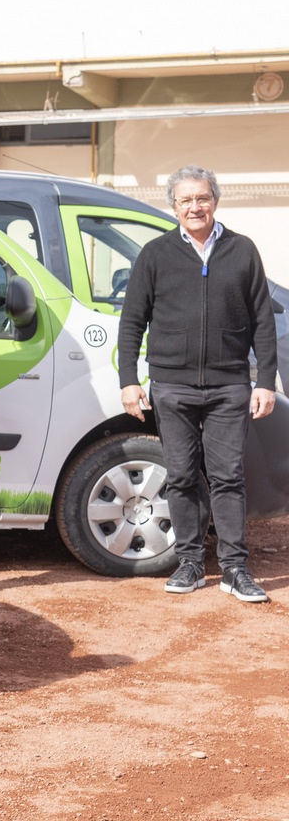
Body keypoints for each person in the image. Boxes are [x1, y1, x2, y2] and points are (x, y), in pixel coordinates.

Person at [118, 165, 277, 602]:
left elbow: (263, 320)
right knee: (183, 476)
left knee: (228, 476)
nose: (195, 207)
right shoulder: (155, 254)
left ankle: (234, 568)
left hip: (229, 385)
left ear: (215, 201)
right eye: (185, 200)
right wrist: (129, 380)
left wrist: (265, 380)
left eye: (202, 198)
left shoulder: (243, 250)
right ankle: (190, 564)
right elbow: (132, 320)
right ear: (173, 207)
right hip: (172, 385)